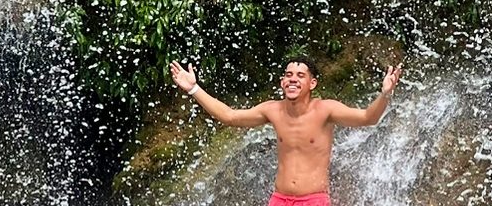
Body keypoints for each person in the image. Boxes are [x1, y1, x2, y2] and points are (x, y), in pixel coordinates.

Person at [169, 57, 402, 206]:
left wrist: (385, 94)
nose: (293, 79)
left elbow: (367, 118)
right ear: (282, 82)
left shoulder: (325, 110)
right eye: (288, 75)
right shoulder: (272, 110)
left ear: (312, 84)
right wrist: (194, 89)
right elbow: (230, 116)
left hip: (314, 200)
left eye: (300, 76)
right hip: (279, 200)